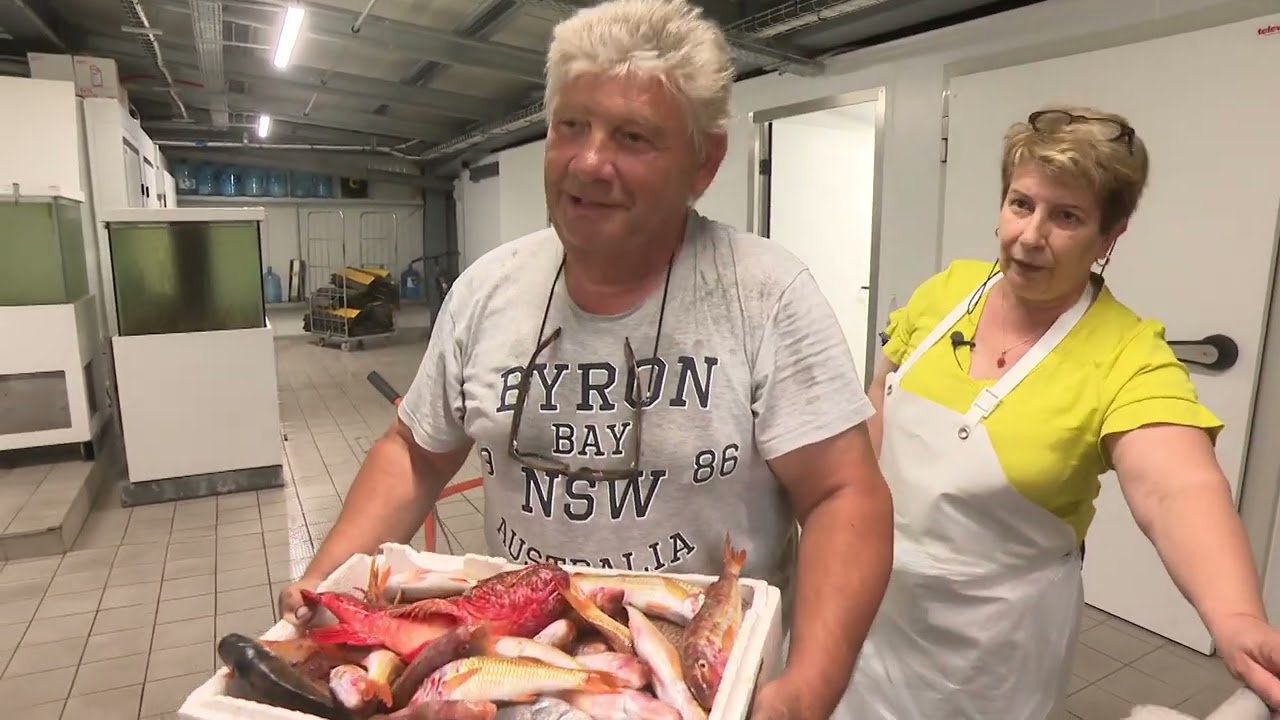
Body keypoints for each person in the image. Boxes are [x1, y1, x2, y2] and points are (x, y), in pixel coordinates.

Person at [278, 1, 895, 719]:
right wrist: (324, 583)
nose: (589, 161)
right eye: (571, 126)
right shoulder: (489, 289)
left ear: (705, 162)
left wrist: (808, 688)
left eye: (633, 137)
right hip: (515, 673)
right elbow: (414, 451)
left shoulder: (764, 297)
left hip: (689, 685)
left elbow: (844, 496)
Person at [836, 105, 1280, 720]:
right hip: (872, 599)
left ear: (1109, 236)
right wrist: (841, 520)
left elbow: (1176, 488)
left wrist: (1233, 616)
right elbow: (878, 403)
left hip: (989, 650)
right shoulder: (946, 293)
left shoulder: (1125, 353)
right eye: (1021, 204)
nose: (1030, 236)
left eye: (1066, 216)